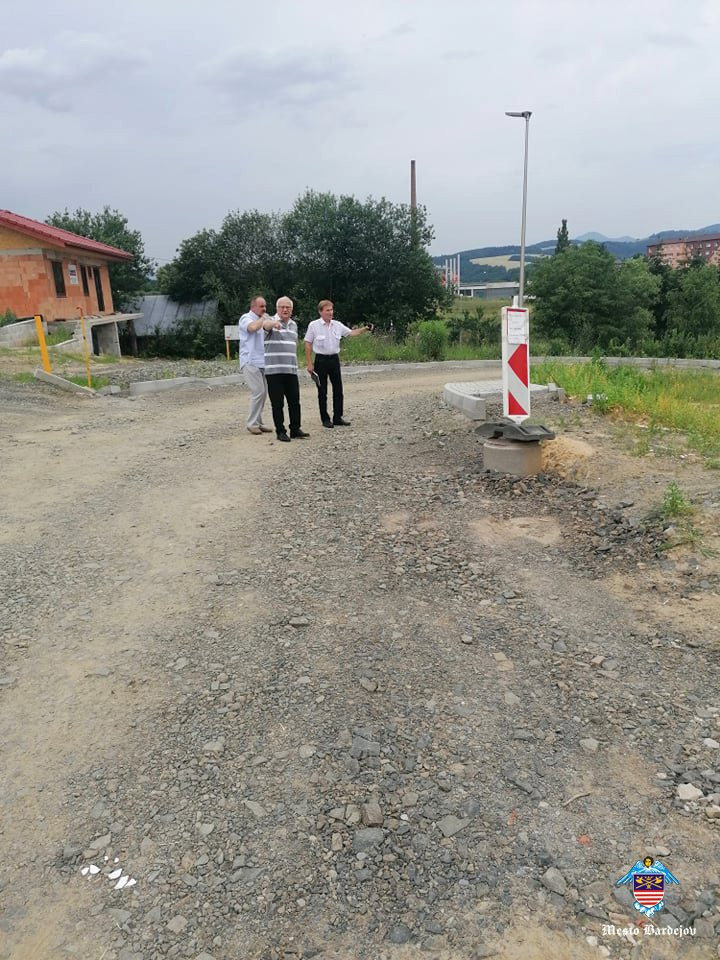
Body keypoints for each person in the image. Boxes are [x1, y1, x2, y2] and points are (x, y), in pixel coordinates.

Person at [304, 300, 373, 428]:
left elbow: (351, 333)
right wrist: (309, 363)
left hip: (334, 360)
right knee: (322, 391)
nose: (330, 312)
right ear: (320, 312)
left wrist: (365, 329)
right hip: (320, 360)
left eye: (331, 310)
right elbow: (308, 343)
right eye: (327, 310)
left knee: (338, 390)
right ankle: (325, 419)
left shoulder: (337, 325)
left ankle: (338, 417)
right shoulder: (314, 325)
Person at [264, 296, 309, 442]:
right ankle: (280, 431)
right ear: (277, 308)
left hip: (290, 370)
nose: (285, 309)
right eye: (282, 307)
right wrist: (274, 324)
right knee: (277, 403)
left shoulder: (294, 325)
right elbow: (265, 326)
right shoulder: (270, 320)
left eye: (287, 307)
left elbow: (294, 344)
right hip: (274, 371)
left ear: (291, 310)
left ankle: (295, 429)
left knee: (294, 401)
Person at [238, 294, 273, 435]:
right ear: (253, 307)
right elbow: (252, 328)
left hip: (262, 361)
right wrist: (263, 319)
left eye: (265, 306)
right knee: (258, 392)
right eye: (261, 306)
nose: (264, 308)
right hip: (250, 361)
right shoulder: (246, 318)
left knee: (263, 393)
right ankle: (252, 423)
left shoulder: (261, 319)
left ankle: (258, 422)